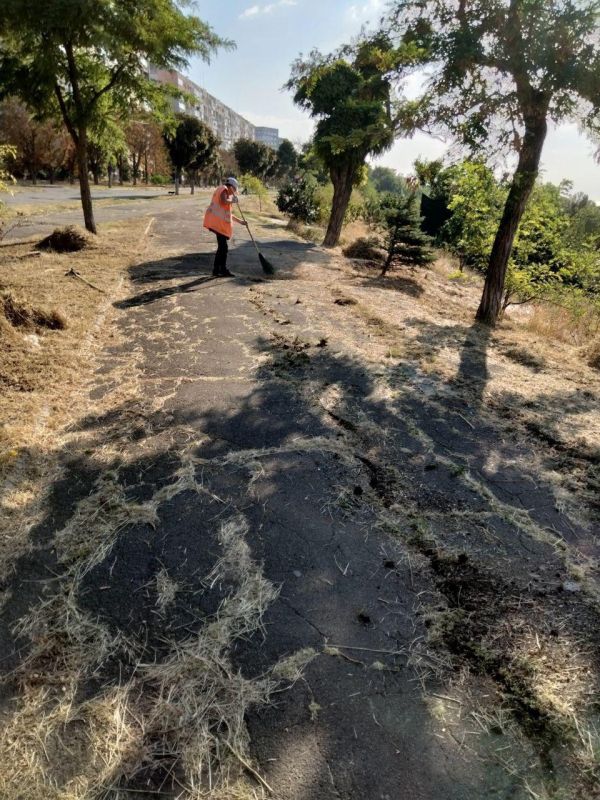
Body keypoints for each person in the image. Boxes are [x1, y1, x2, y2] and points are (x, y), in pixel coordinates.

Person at [202, 177, 247, 277]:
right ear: (231, 186)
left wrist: (241, 222)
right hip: (217, 224)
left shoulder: (226, 194)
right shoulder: (223, 189)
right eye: (234, 190)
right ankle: (221, 269)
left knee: (222, 248)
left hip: (218, 224)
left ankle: (217, 270)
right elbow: (223, 201)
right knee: (223, 248)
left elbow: (228, 214)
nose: (234, 192)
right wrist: (232, 201)